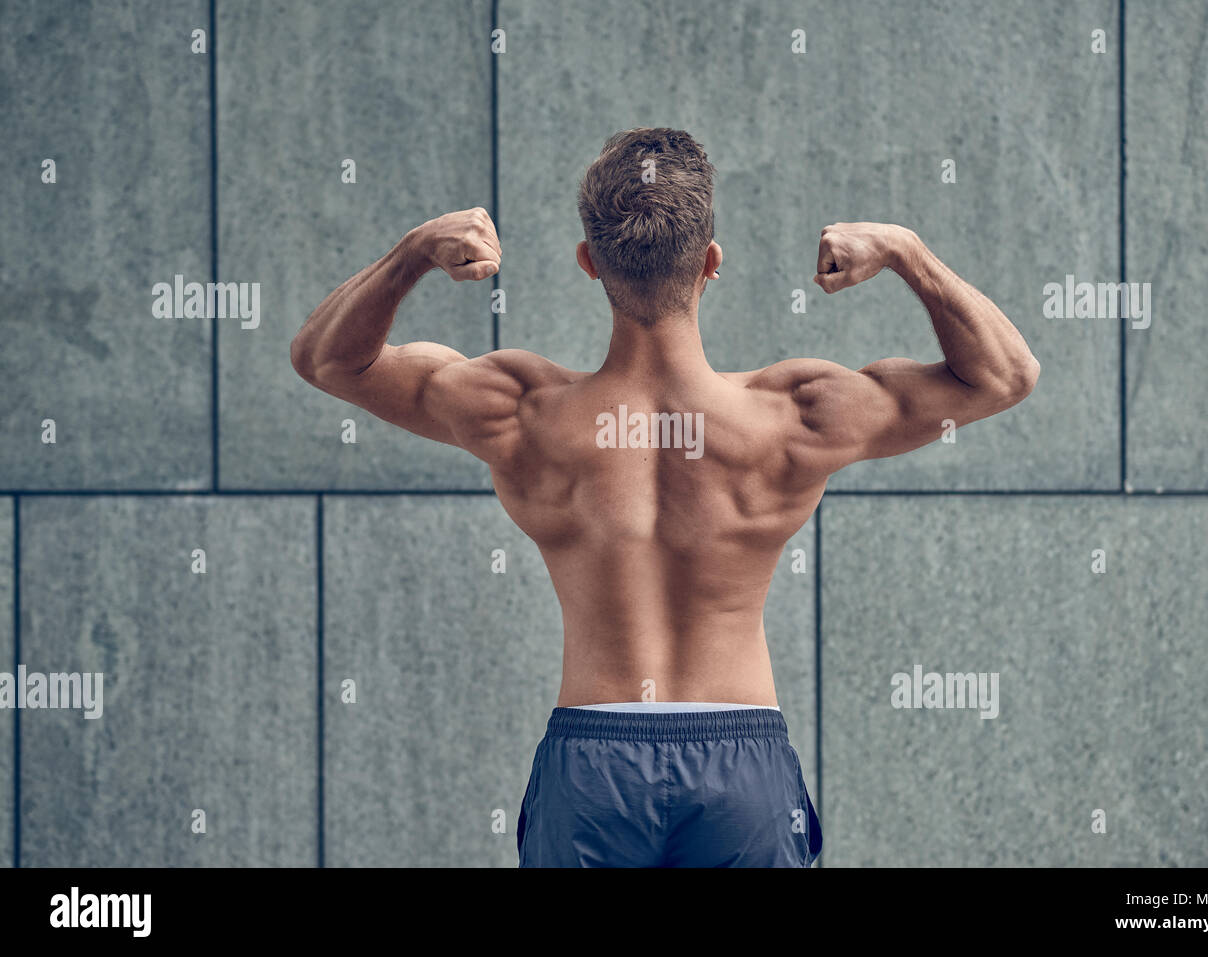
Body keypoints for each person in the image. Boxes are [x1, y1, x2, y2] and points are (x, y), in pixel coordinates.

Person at [290, 127, 1039, 867]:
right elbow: (1004, 375)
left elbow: (327, 359)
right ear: (712, 262)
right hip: (742, 770)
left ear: (588, 262)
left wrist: (416, 252)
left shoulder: (518, 410)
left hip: (592, 768)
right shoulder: (798, 413)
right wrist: (907, 252)